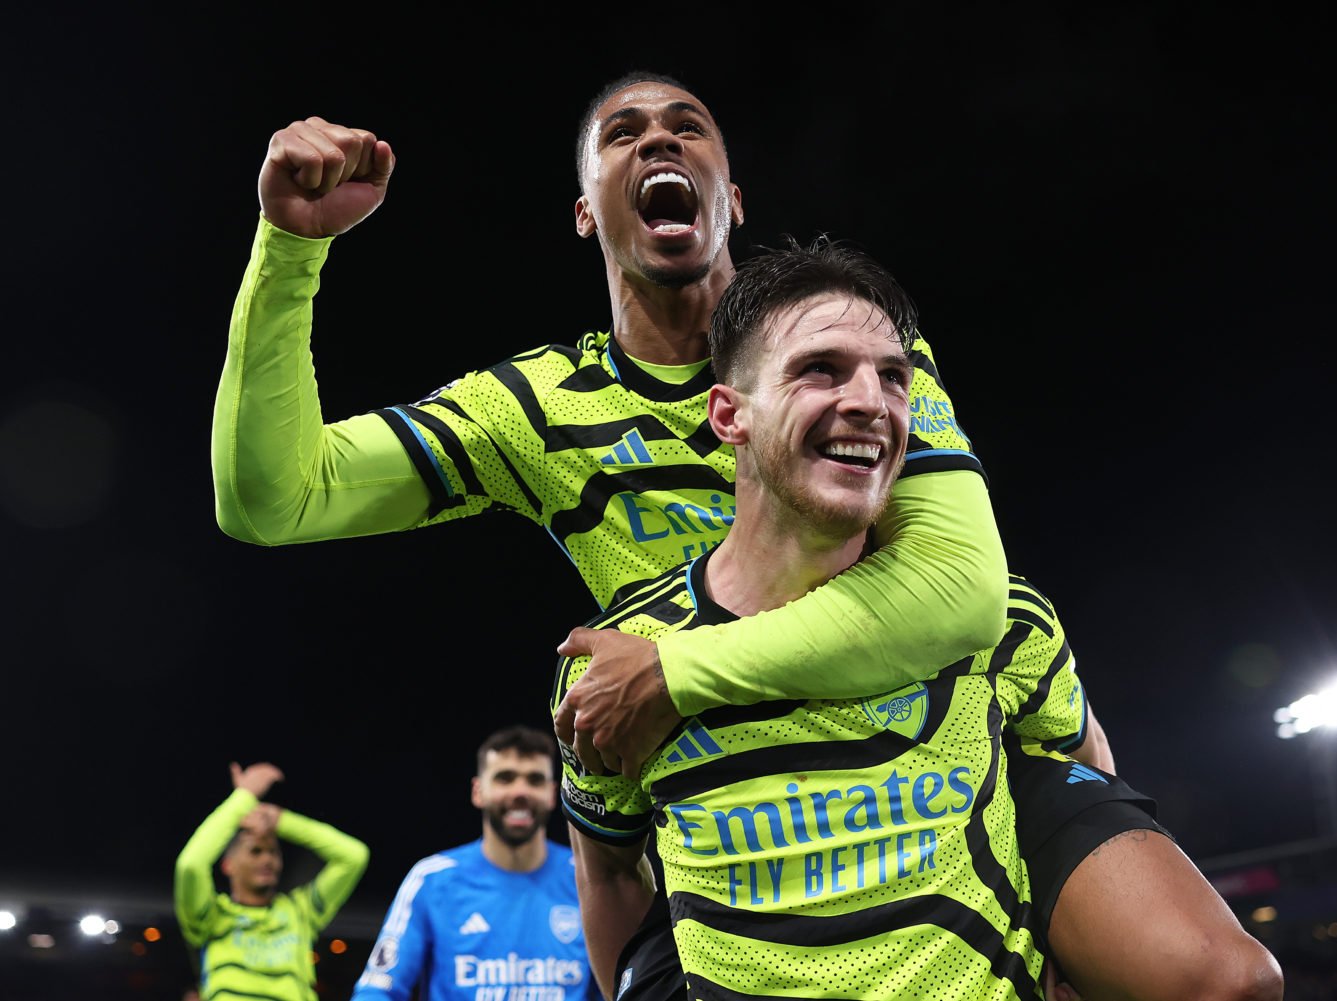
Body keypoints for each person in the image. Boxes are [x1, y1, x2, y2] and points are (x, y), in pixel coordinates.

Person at [217, 72, 1277, 1001]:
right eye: (624, 133)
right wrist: (290, 253)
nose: (660, 141)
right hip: (733, 786)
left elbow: (959, 593)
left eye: (688, 127)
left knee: (1216, 974)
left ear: (734, 198)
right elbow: (273, 498)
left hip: (926, 723)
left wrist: (676, 667)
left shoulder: (849, 346)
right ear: (588, 211)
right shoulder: (537, 406)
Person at [554, 234, 1092, 999]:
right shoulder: (619, 665)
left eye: (894, 379)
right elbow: (607, 869)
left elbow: (1086, 775)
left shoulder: (1007, 619)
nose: (871, 402)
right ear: (728, 415)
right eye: (820, 370)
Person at [351, 725, 601, 1000]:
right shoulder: (432, 880)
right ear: (478, 791)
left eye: (535, 780)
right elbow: (377, 990)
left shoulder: (587, 878)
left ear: (554, 793)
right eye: (505, 778)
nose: (520, 791)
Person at [173, 761, 369, 1001]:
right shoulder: (211, 917)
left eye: (273, 852)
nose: (267, 859)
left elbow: (354, 856)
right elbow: (191, 865)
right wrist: (243, 799)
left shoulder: (301, 912)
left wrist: (280, 820)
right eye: (255, 851)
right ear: (228, 865)